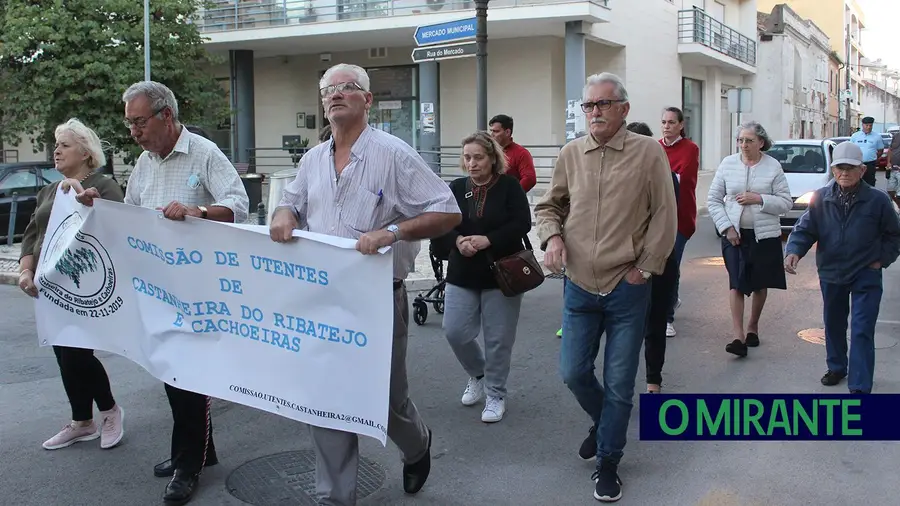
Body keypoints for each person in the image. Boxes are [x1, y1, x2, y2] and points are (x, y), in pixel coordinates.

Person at [269, 63, 461, 505]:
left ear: (367, 100)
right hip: (320, 299)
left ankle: (417, 445)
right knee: (325, 400)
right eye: (328, 90)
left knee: (386, 403)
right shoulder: (312, 159)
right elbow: (292, 202)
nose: (335, 95)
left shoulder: (393, 154)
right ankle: (334, 498)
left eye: (347, 88)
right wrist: (284, 214)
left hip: (376, 300)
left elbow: (448, 212)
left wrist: (392, 234)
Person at [76, 81, 249, 505]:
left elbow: (240, 205)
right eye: (129, 123)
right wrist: (98, 207)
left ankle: (187, 464)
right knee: (172, 374)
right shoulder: (144, 163)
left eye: (139, 121)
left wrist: (198, 211)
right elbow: (133, 216)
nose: (133, 131)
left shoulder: (204, 153)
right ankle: (200, 452)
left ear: (165, 116)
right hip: (158, 288)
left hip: (199, 290)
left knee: (189, 376)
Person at [534, 73, 677, 503]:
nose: (593, 112)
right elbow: (549, 205)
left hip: (626, 286)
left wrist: (644, 269)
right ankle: (606, 423)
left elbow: (663, 217)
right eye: (588, 106)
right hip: (578, 284)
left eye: (602, 104)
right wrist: (552, 236)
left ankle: (608, 461)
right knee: (573, 372)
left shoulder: (649, 153)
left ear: (623, 110)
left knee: (618, 382)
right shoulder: (571, 153)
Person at [18, 118, 126, 451]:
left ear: (85, 150)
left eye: (64, 145)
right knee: (62, 351)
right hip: (47, 285)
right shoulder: (49, 189)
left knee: (77, 353)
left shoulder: (103, 185)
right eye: (56, 145)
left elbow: (116, 226)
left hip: (83, 283)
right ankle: (82, 421)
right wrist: (25, 270)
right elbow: (32, 233)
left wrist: (84, 199)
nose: (57, 151)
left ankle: (109, 411)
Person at [785, 142, 900, 393]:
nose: (844, 173)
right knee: (834, 323)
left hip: (865, 273)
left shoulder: (878, 200)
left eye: (850, 168)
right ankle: (837, 366)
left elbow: (895, 235)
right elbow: (805, 229)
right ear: (833, 170)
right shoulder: (821, 198)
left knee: (861, 328)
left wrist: (881, 259)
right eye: (839, 168)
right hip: (831, 271)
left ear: (861, 170)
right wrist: (793, 251)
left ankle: (859, 384)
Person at [442, 131, 532, 424]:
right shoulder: (455, 187)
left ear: (493, 158)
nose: (472, 163)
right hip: (462, 272)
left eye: (478, 157)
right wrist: (457, 242)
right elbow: (442, 224)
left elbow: (521, 223)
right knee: (454, 331)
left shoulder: (509, 186)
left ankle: (495, 393)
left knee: (498, 339)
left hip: (501, 273)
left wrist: (488, 239)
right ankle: (478, 373)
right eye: (467, 157)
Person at [706, 121, 792, 358]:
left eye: (749, 140)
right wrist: (727, 228)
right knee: (736, 282)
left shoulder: (773, 167)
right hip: (734, 236)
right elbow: (713, 200)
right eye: (741, 140)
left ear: (761, 143)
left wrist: (759, 199)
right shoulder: (728, 164)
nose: (743, 145)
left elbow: (786, 203)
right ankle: (738, 336)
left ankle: (753, 325)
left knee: (759, 283)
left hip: (764, 235)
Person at [625, 121, 681, 394]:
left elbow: (668, 221)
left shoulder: (667, 177)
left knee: (655, 323)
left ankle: (653, 382)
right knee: (625, 328)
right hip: (622, 262)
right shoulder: (616, 176)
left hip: (659, 261)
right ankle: (622, 382)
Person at [659, 107, 700, 337]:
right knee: (660, 265)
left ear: (681, 125)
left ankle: (667, 318)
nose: (667, 126)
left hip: (680, 217)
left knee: (671, 266)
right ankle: (670, 300)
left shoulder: (690, 149)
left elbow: (685, 180)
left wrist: (668, 177)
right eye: (664, 122)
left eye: (672, 122)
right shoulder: (655, 147)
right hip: (658, 217)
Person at [489, 114, 537, 192]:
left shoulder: (521, 153)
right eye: (491, 131)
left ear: (507, 132)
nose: (492, 135)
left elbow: (530, 179)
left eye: (496, 131)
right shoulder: (489, 151)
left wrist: (512, 195)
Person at [849, 116, 884, 186]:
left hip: (870, 164)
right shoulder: (855, 136)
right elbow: (851, 148)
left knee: (870, 183)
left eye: (870, 125)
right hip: (857, 163)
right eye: (867, 125)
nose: (868, 127)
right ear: (862, 125)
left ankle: (870, 196)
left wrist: (874, 158)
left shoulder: (877, 136)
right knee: (856, 182)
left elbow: (880, 150)